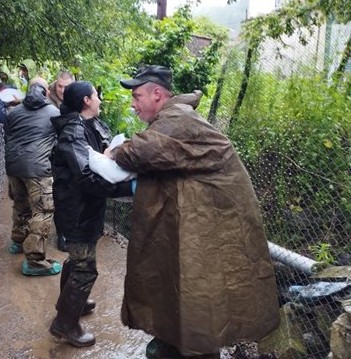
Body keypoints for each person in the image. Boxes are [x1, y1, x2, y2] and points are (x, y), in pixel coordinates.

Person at [109, 65, 279, 359]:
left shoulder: (177, 118)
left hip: (211, 224)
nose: (133, 104)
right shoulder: (171, 117)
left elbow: (141, 151)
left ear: (157, 94)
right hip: (197, 221)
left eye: (137, 96)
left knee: (200, 289)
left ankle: (195, 347)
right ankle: (175, 340)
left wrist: (112, 152)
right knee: (177, 279)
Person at [49, 81, 132, 347]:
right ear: (86, 100)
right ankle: (65, 324)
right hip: (77, 210)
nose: (100, 100)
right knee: (85, 268)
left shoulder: (90, 124)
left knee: (76, 261)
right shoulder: (73, 131)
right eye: (97, 96)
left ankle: (71, 304)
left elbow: (102, 154)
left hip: (86, 208)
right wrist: (125, 188)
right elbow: (85, 176)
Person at [5, 78, 61, 276]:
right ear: (46, 93)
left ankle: (17, 242)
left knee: (21, 205)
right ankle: (35, 261)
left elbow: (8, 135)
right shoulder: (54, 112)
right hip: (37, 168)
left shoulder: (14, 112)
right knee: (43, 210)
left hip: (13, 166)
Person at [46, 70, 75, 252]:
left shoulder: (78, 95)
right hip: (55, 153)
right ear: (55, 85)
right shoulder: (48, 99)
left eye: (66, 86)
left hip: (73, 151)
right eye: (60, 86)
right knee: (61, 195)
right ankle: (62, 234)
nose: (63, 90)